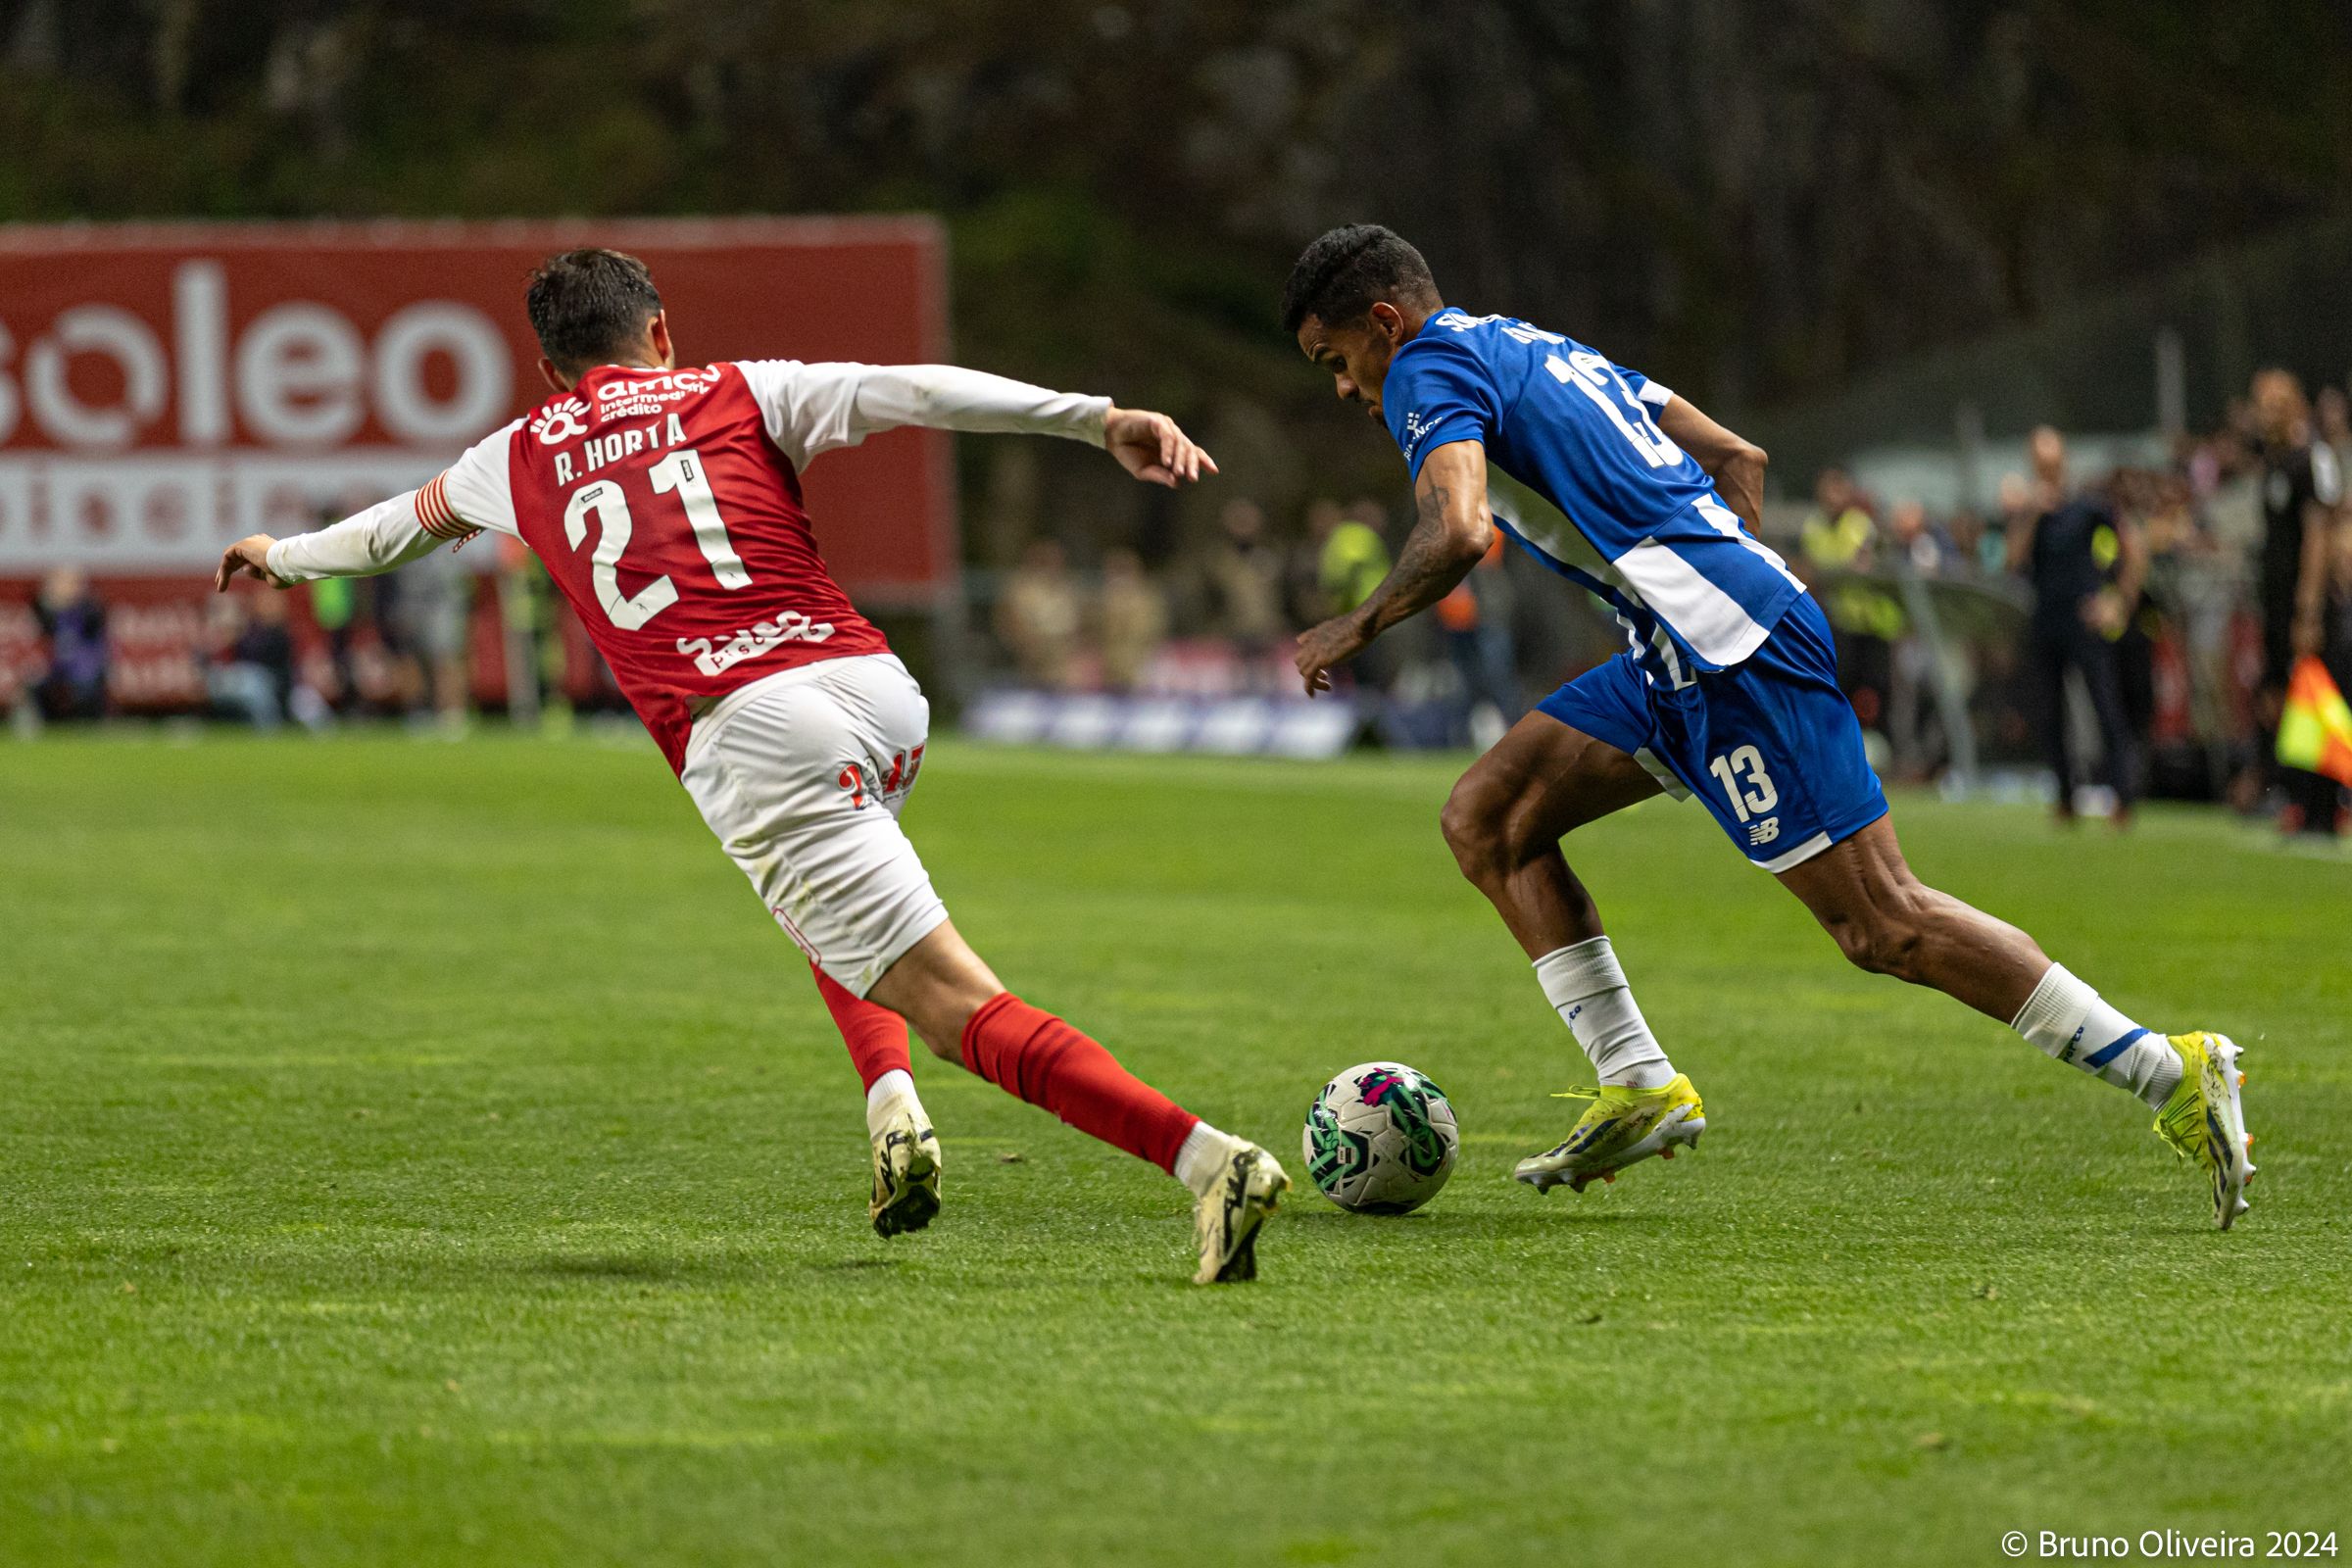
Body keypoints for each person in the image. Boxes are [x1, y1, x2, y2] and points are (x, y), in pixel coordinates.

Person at [217, 247, 1287, 1283]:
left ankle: (1208, 1162)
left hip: (752, 726)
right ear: (659, 332)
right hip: (874, 689)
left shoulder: (518, 452)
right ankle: (891, 1108)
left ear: (549, 369)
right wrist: (1095, 418)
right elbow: (913, 390)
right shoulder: (741, 388)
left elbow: (391, 532)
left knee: (954, 1005)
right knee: (831, 911)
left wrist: (282, 558)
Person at [1280, 223, 2253, 1229]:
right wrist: (1724, 565)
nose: (1345, 388)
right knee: (1489, 819)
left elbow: (1458, 528)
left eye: (1335, 360)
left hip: (1731, 652)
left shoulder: (1425, 370)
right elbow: (1735, 451)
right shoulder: (1519, 342)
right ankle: (1639, 1081)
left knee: (1883, 923)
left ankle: (2170, 1070)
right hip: (1679, 648)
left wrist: (1355, 624)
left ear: (1385, 322)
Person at [2006, 427, 2146, 826]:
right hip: (2046, 620)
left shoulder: (2087, 506)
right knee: (2050, 714)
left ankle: (2123, 795)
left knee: (2105, 707)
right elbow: (2013, 561)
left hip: (2085, 620)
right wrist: (2032, 513)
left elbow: (2133, 547)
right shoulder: (2029, 512)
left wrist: (2119, 601)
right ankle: (2065, 796)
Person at [2250, 369, 2345, 837]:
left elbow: (2319, 533)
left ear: (2293, 406)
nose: (2264, 414)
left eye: (2274, 404)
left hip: (2305, 603)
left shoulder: (2313, 458)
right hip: (2275, 602)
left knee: (2316, 697)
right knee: (2280, 698)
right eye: (2260, 405)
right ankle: (2293, 797)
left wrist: (2307, 609)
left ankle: (2325, 805)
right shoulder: (2273, 463)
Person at [32, 567, 108, 721]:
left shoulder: (89, 609)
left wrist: (72, 598)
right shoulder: (53, 614)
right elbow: (39, 608)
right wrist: (52, 596)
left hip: (85, 673)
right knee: (36, 684)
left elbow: (93, 620)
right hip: (59, 672)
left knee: (86, 690)